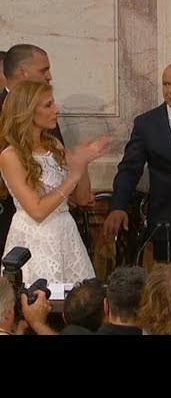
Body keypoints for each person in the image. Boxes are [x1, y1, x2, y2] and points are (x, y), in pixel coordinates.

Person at [0, 81, 107, 284]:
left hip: (66, 232)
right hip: (34, 238)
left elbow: (82, 198)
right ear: (28, 111)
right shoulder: (10, 156)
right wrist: (73, 175)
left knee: (79, 298)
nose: (56, 109)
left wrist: (82, 163)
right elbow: (37, 211)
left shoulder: (54, 145)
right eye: (48, 105)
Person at [102, 60, 171, 262]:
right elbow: (130, 169)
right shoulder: (146, 123)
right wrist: (118, 206)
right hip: (165, 224)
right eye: (166, 84)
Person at [1, 44, 65, 258]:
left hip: (57, 222)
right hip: (14, 217)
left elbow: (59, 162)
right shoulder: (10, 152)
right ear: (22, 73)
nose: (49, 76)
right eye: (43, 70)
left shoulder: (48, 121)